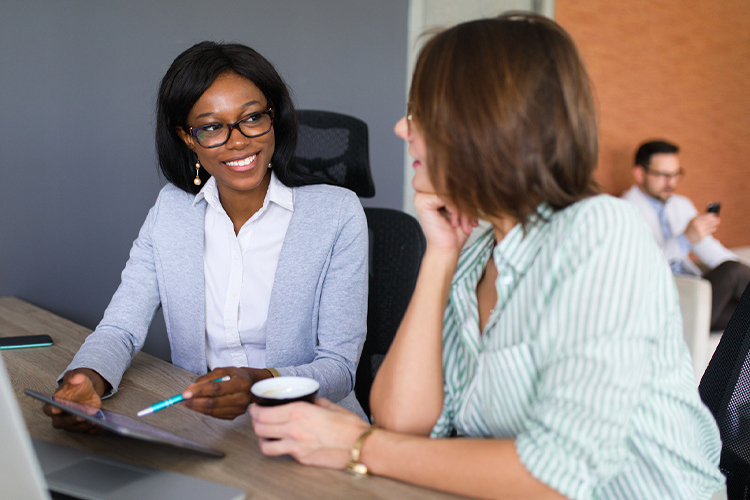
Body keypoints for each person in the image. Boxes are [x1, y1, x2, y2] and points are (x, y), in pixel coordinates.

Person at [249, 14, 725, 499]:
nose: (400, 127)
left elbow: (554, 474)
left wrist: (360, 446)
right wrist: (440, 255)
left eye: (421, 111)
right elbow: (403, 421)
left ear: (484, 123)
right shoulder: (478, 247)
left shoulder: (601, 231)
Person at [44, 41, 369, 431]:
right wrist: (86, 379)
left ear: (273, 118)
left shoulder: (336, 213)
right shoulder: (172, 211)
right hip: (205, 428)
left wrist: (259, 384)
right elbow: (121, 328)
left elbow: (339, 365)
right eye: (212, 127)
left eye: (252, 118)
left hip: (314, 432)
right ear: (187, 137)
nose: (238, 140)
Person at [623, 140, 750, 331]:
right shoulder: (624, 212)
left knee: (741, 304)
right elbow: (641, 269)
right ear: (640, 174)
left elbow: (711, 251)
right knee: (733, 271)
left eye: (676, 175)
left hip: (696, 293)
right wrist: (684, 240)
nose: (672, 183)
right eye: (663, 175)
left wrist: (742, 273)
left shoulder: (681, 205)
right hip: (663, 303)